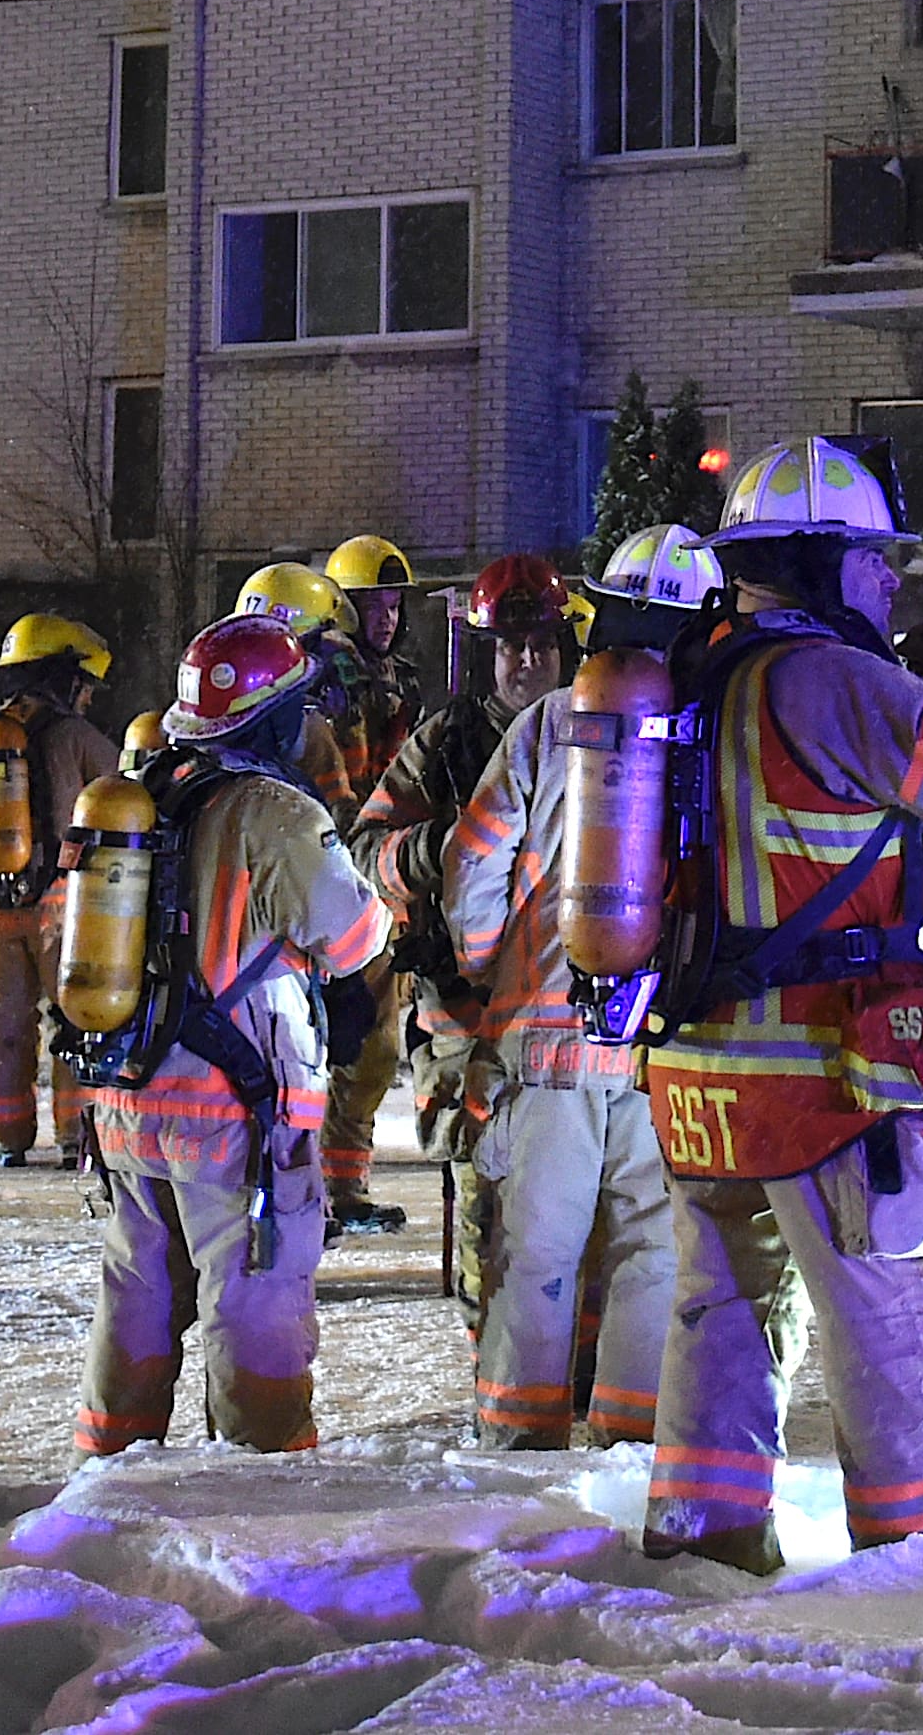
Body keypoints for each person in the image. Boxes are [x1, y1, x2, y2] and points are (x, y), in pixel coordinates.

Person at [636, 437, 923, 1573]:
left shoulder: (697, 670)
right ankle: (920, 1562)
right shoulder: (826, 676)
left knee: (718, 1321)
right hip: (825, 1075)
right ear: (818, 562)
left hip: (703, 1072)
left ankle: (702, 1543)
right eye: (872, 561)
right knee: (888, 1325)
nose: (889, 585)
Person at [73, 614, 387, 1457]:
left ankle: (108, 1465)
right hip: (234, 1111)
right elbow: (354, 935)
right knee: (253, 1297)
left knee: (137, 1290)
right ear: (276, 716)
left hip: (126, 1094)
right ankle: (261, 1475)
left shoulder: (145, 789)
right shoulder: (272, 809)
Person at [442, 532, 699, 1449]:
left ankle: (519, 1445)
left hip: (542, 1044)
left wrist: (490, 967)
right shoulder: (709, 725)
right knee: (649, 1252)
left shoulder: (553, 723)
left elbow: (471, 860)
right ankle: (628, 1444)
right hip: (657, 1049)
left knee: (538, 1256)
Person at [363, 551, 573, 1323]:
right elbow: (364, 852)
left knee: (573, 1199)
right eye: (512, 647)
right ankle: (500, 1370)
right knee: (489, 1193)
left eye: (541, 644)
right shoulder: (443, 742)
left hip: (562, 1013)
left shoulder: (596, 733)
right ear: (487, 653)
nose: (527, 660)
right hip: (464, 1016)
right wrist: (434, 849)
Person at [0, 612, 123, 1168]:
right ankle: (79, 1139)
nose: (87, 696)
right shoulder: (76, 737)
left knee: (4, 1025)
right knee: (78, 1019)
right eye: (84, 684)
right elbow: (126, 804)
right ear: (64, 676)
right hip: (61, 910)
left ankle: (4, 1137)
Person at [313, 534, 421, 1237]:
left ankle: (337, 1183)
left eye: (392, 602)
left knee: (365, 1041)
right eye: (370, 602)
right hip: (347, 878)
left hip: (368, 878)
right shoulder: (334, 681)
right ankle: (327, 1185)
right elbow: (343, 792)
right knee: (360, 1040)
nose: (384, 614)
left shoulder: (392, 681)